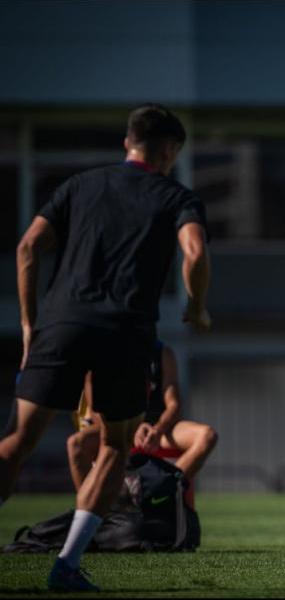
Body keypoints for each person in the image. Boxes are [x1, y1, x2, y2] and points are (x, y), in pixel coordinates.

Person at [0, 104, 211, 592]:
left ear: (127, 143)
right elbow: (196, 253)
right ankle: (66, 566)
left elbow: (28, 247)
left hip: (60, 324)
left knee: (16, 443)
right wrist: (198, 305)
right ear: (169, 152)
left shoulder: (79, 185)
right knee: (116, 446)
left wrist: (31, 325)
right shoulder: (175, 195)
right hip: (124, 332)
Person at [67, 341, 218, 500]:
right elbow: (95, 410)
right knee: (76, 444)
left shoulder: (162, 353)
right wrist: (130, 429)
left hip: (158, 429)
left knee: (207, 436)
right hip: (117, 427)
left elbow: (173, 404)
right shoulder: (99, 354)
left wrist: (158, 429)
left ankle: (159, 491)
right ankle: (90, 509)